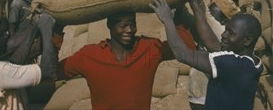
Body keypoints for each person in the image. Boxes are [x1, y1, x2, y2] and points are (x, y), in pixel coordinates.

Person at [151, 0, 263, 110]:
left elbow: (182, 54)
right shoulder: (250, 62)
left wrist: (167, 20)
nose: (224, 35)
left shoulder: (232, 65)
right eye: (225, 30)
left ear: (247, 40)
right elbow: (212, 44)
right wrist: (194, 4)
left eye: (231, 33)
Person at [57, 10, 195, 110]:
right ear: (109, 26)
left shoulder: (149, 48)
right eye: (122, 26)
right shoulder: (90, 55)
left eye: (132, 24)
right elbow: (54, 72)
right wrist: (54, 31)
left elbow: (186, 49)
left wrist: (174, 19)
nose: (129, 30)